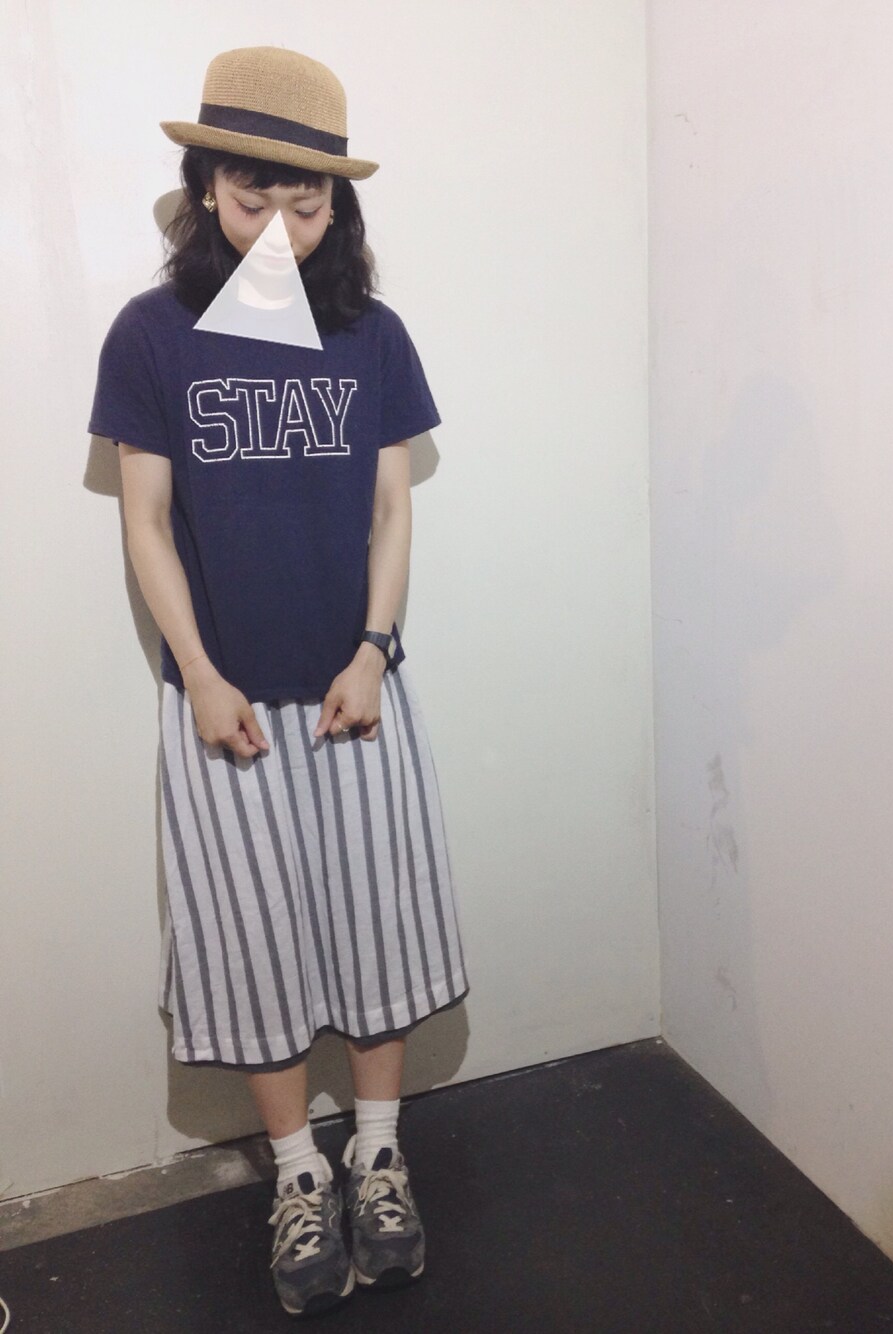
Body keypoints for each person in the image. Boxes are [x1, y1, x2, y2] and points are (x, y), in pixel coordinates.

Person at [88, 45, 470, 1319]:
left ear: (336, 208)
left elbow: (393, 509)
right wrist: (197, 673)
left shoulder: (369, 333)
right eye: (255, 200)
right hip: (225, 700)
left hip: (356, 684)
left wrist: (374, 649)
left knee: (377, 915)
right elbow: (145, 522)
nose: (280, 231)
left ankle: (378, 1153)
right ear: (208, 187)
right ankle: (297, 1170)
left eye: (308, 208)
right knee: (248, 938)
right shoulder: (153, 335)